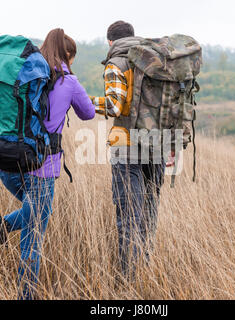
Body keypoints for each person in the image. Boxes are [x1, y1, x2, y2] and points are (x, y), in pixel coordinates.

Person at [0, 28, 95, 300]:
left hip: (7, 165)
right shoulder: (69, 81)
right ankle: (25, 293)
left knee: (37, 213)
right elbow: (87, 113)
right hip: (41, 168)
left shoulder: (25, 77)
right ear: (68, 56)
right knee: (34, 233)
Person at [90, 21, 173, 280]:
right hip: (157, 146)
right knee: (149, 212)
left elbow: (114, 106)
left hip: (127, 147)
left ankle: (126, 280)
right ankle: (145, 270)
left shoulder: (117, 63)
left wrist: (86, 101)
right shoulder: (155, 60)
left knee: (128, 216)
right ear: (133, 37)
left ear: (110, 42)